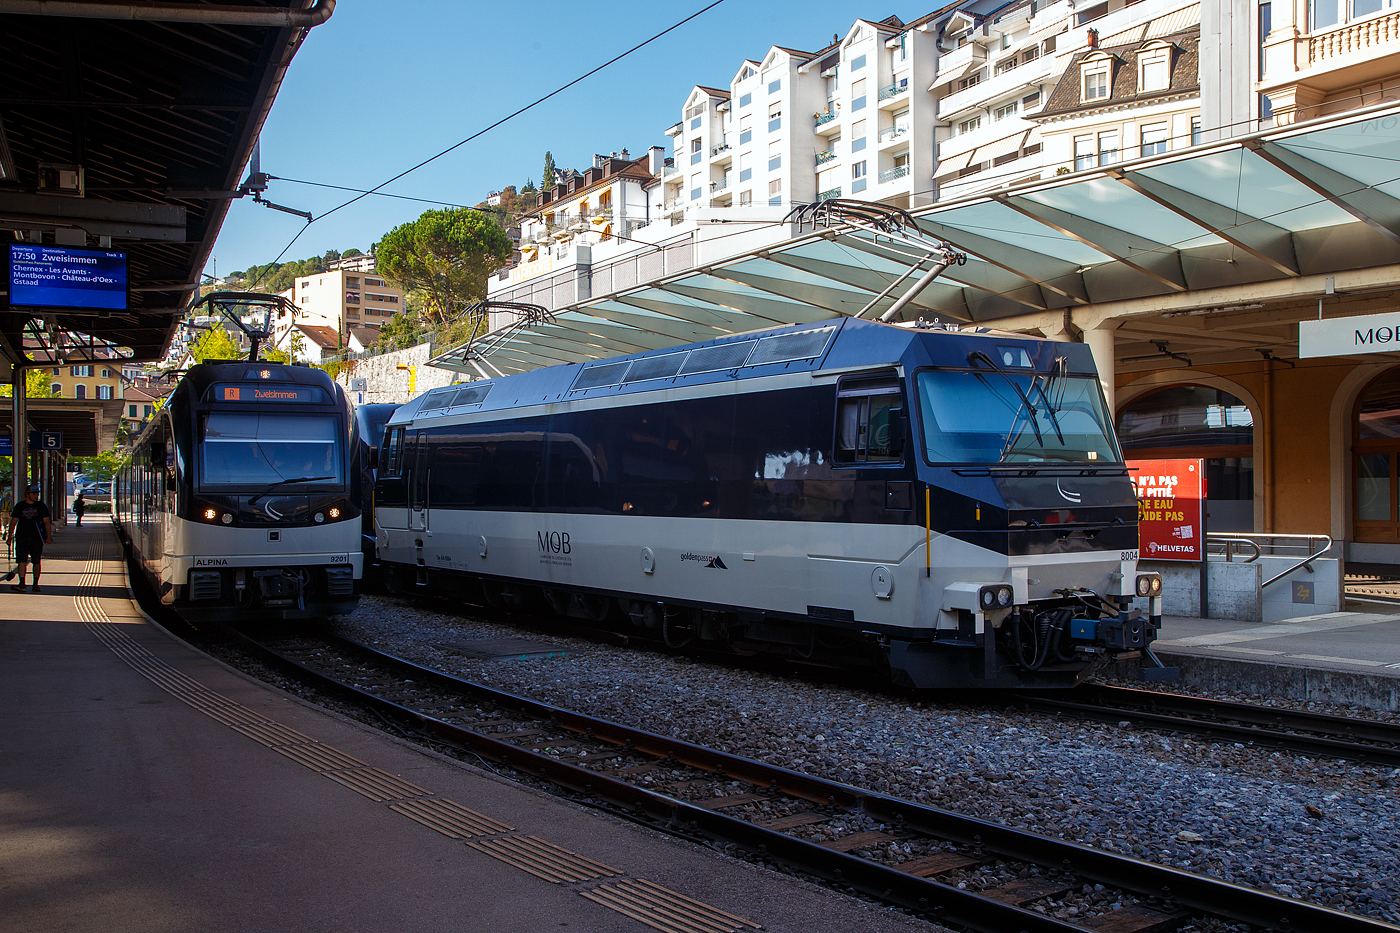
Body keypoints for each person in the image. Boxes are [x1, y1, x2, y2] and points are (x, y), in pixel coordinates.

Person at [6, 485, 52, 593]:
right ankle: (22, 584)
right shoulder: (20, 506)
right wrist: (9, 537)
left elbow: (46, 522)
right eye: (34, 493)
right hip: (22, 536)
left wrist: (49, 537)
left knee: (36, 561)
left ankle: (35, 584)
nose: (36, 495)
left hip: (37, 537)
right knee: (21, 560)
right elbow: (13, 521)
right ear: (27, 494)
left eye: (37, 493)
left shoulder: (41, 506)